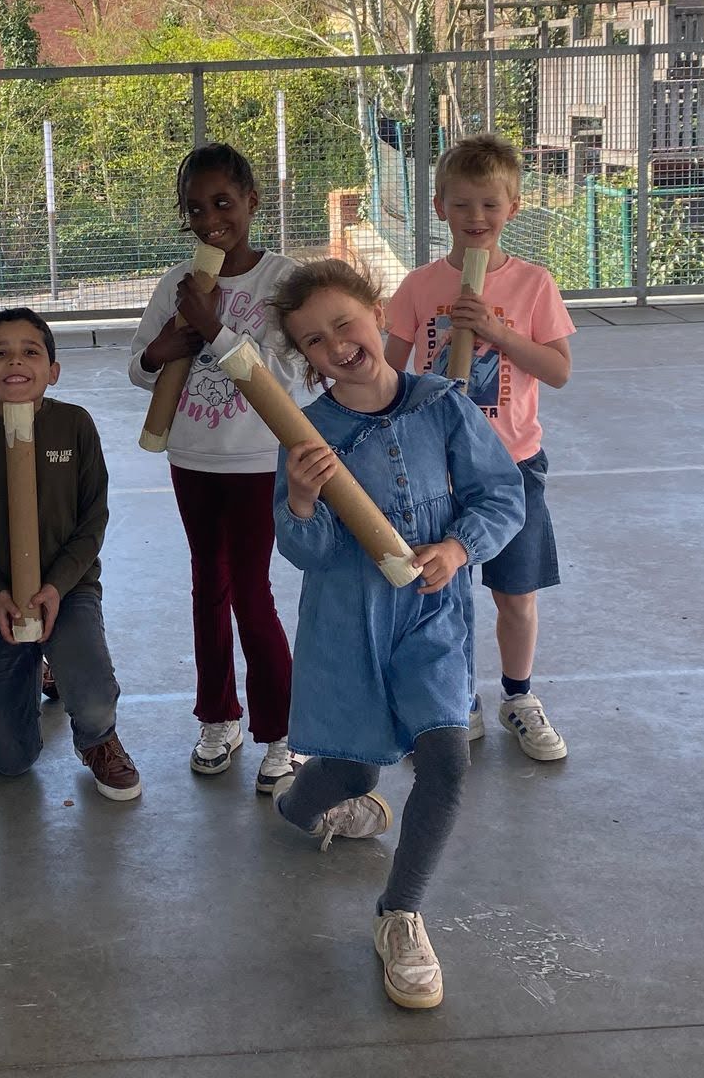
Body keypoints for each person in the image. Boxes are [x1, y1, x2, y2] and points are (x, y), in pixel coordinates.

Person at [267, 259, 525, 1009]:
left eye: (344, 323)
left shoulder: (443, 404)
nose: (336, 345)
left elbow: (500, 494)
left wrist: (459, 548)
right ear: (304, 358)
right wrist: (303, 500)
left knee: (445, 762)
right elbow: (308, 552)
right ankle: (299, 805)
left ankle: (399, 915)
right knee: (354, 774)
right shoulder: (307, 434)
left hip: (432, 616)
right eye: (314, 342)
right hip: (349, 626)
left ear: (377, 313)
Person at [386, 133, 575, 761]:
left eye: (490, 205)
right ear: (439, 206)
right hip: (438, 469)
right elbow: (389, 372)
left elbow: (557, 370)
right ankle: (456, 694)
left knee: (516, 593)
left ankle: (518, 695)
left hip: (514, 465)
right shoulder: (419, 286)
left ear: (513, 208)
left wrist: (495, 331)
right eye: (462, 204)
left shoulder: (534, 284)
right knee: (446, 592)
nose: (476, 218)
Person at [129, 142, 297, 789]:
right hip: (192, 458)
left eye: (223, 203)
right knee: (208, 587)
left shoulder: (281, 281)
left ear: (252, 201)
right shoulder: (178, 282)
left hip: (255, 462)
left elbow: (286, 375)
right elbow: (139, 366)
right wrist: (163, 349)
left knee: (252, 592)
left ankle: (282, 733)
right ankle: (218, 717)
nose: (210, 220)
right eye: (195, 209)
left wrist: (216, 329)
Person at [0, 309, 141, 802]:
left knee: (93, 699)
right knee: (10, 761)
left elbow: (93, 519)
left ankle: (98, 739)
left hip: (68, 590)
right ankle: (43, 667)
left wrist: (57, 585)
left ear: (53, 370)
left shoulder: (74, 426)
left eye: (30, 351)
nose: (15, 362)